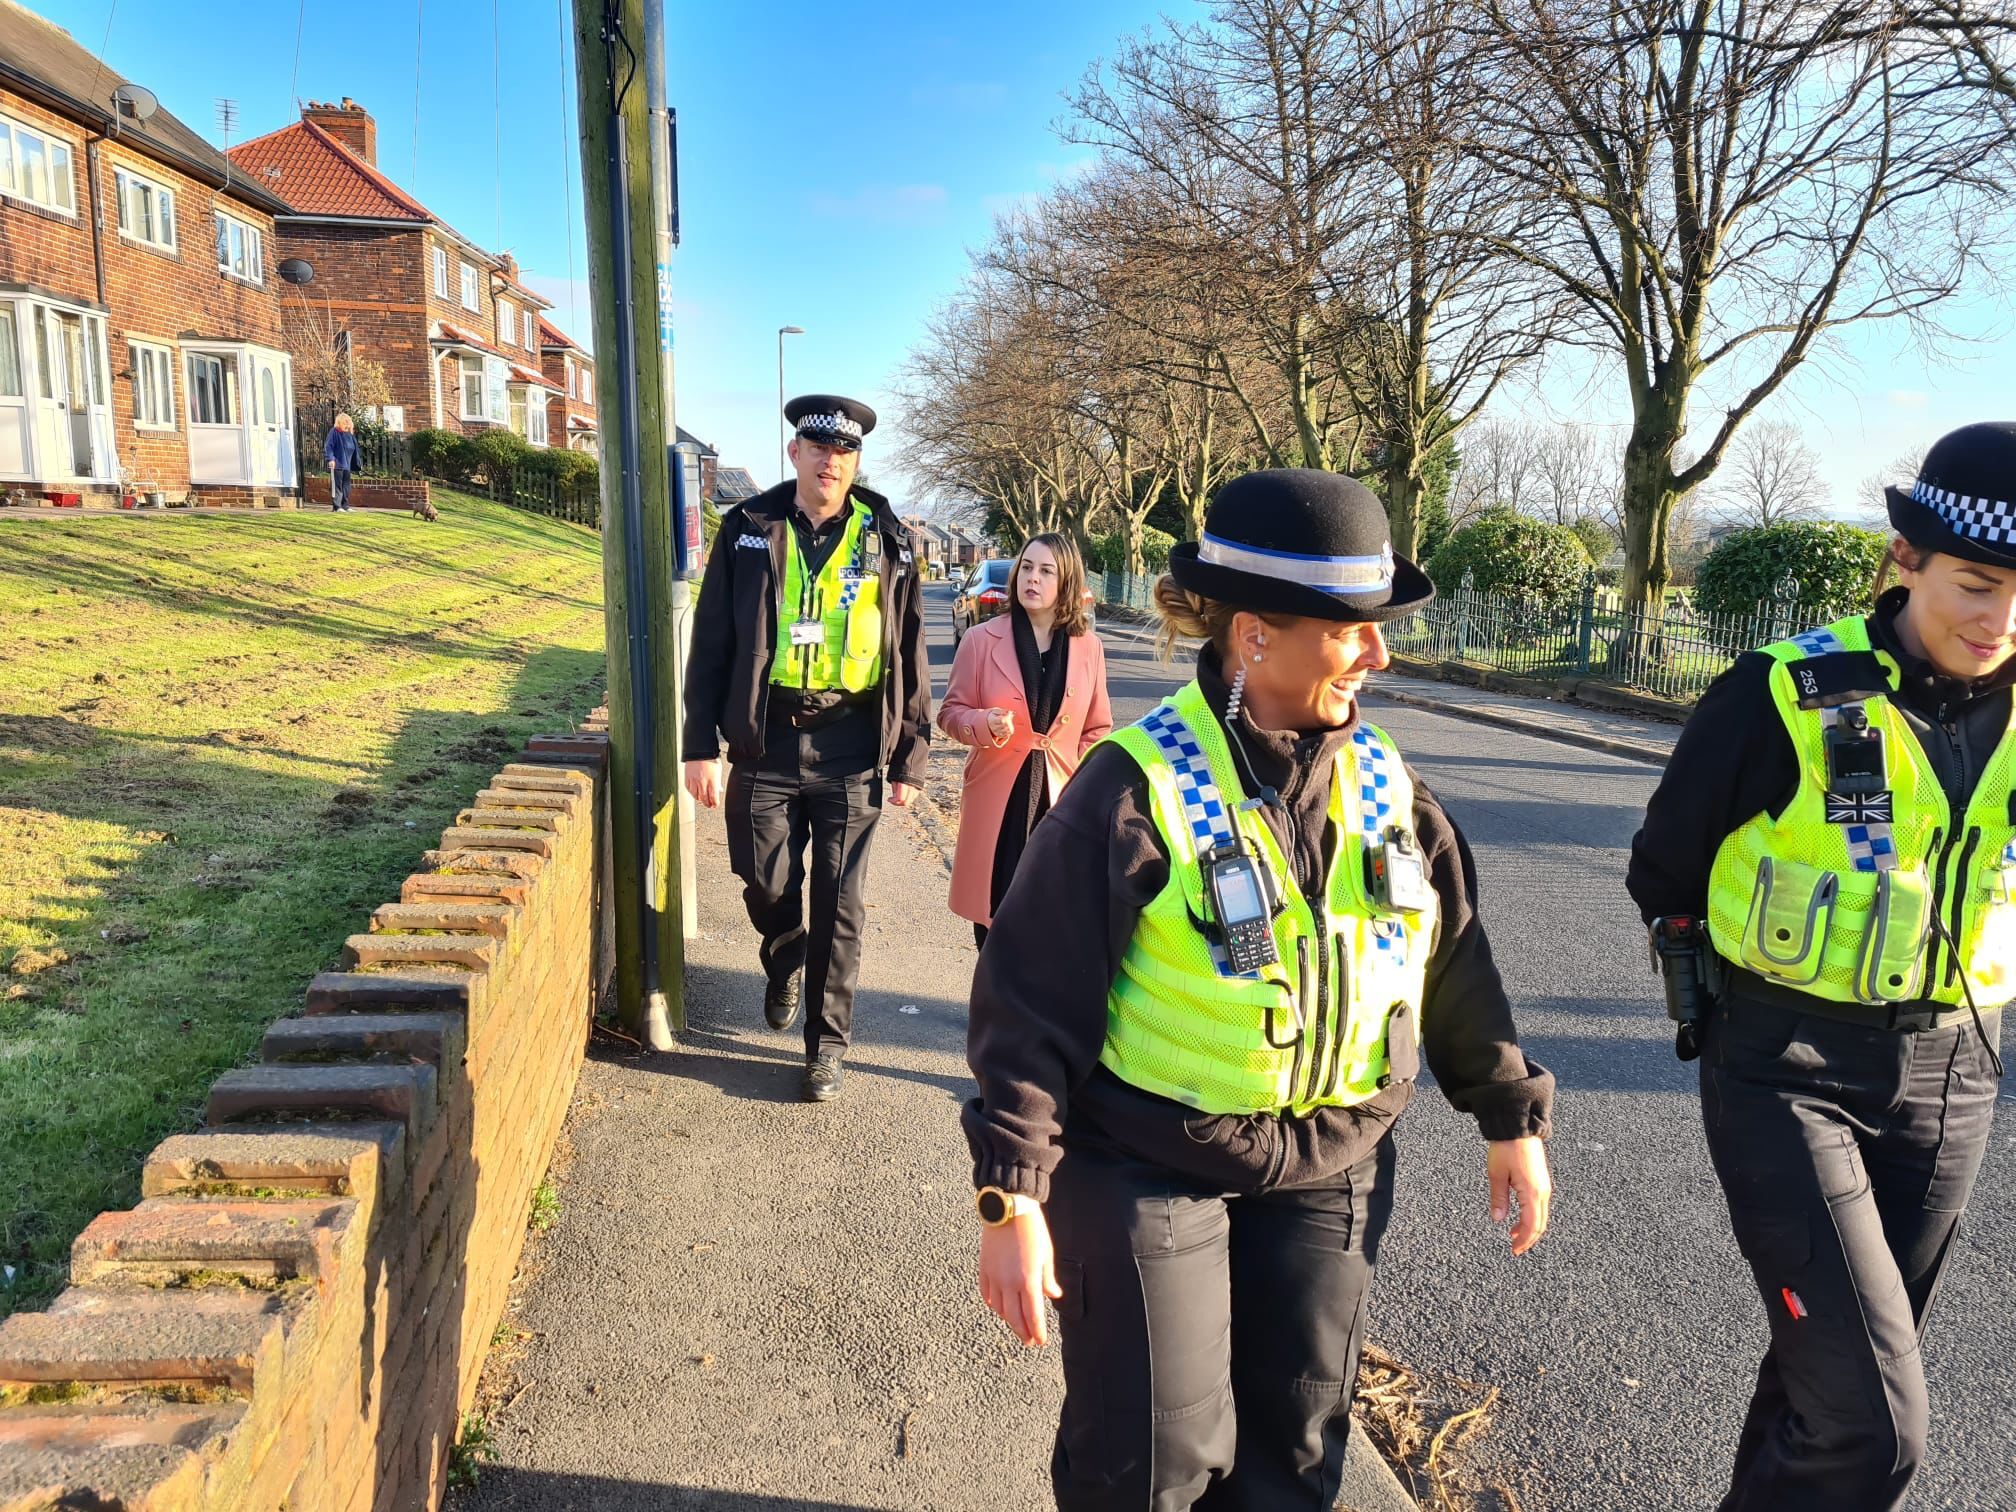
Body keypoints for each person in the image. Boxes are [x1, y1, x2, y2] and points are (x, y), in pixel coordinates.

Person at [963, 469, 1555, 1509]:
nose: (1378, 651)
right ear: (1253, 635)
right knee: (1154, 1460)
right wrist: (1013, 1190)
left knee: (1294, 1456)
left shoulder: (1387, 787)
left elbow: (1451, 957)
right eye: (1351, 627)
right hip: (1148, 1156)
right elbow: (1028, 997)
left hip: (1333, 1159)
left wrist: (1509, 1114)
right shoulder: (1135, 787)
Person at [1628, 421, 2014, 1512]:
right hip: (1785, 1070)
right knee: (1874, 1426)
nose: (2001, 622)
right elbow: (1665, 866)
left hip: (1956, 1078)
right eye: (1977, 585)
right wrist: (1710, 999)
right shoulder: (1783, 690)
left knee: (1822, 1391)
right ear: (1905, 559)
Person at [682, 394, 931, 1102]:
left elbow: (909, 651)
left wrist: (911, 753)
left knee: (842, 904)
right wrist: (700, 743)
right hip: (767, 739)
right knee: (764, 880)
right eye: (818, 448)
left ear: (856, 461)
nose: (831, 460)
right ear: (795, 452)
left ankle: (827, 1047)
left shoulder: (888, 539)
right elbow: (712, 645)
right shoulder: (749, 528)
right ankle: (783, 947)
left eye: (844, 451)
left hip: (852, 743)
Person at [937, 532, 1112, 948]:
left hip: (1061, 799)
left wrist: (1085, 786)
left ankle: (1030, 1007)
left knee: (1053, 912)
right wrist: (983, 722)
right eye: (1027, 568)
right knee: (994, 907)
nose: (1032, 578)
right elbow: (950, 713)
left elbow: (1098, 729)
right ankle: (992, 1004)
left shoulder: (1089, 648)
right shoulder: (981, 640)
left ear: (1066, 582)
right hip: (1001, 796)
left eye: (1046, 571)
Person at [324, 413, 359, 512]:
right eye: (345, 422)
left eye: (348, 422)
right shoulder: (334, 432)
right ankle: (337, 506)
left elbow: (354, 449)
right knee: (337, 485)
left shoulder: (349, 434)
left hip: (347, 465)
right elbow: (328, 446)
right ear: (340, 422)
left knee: (346, 486)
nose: (347, 424)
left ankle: (345, 505)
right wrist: (330, 459)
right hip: (338, 463)